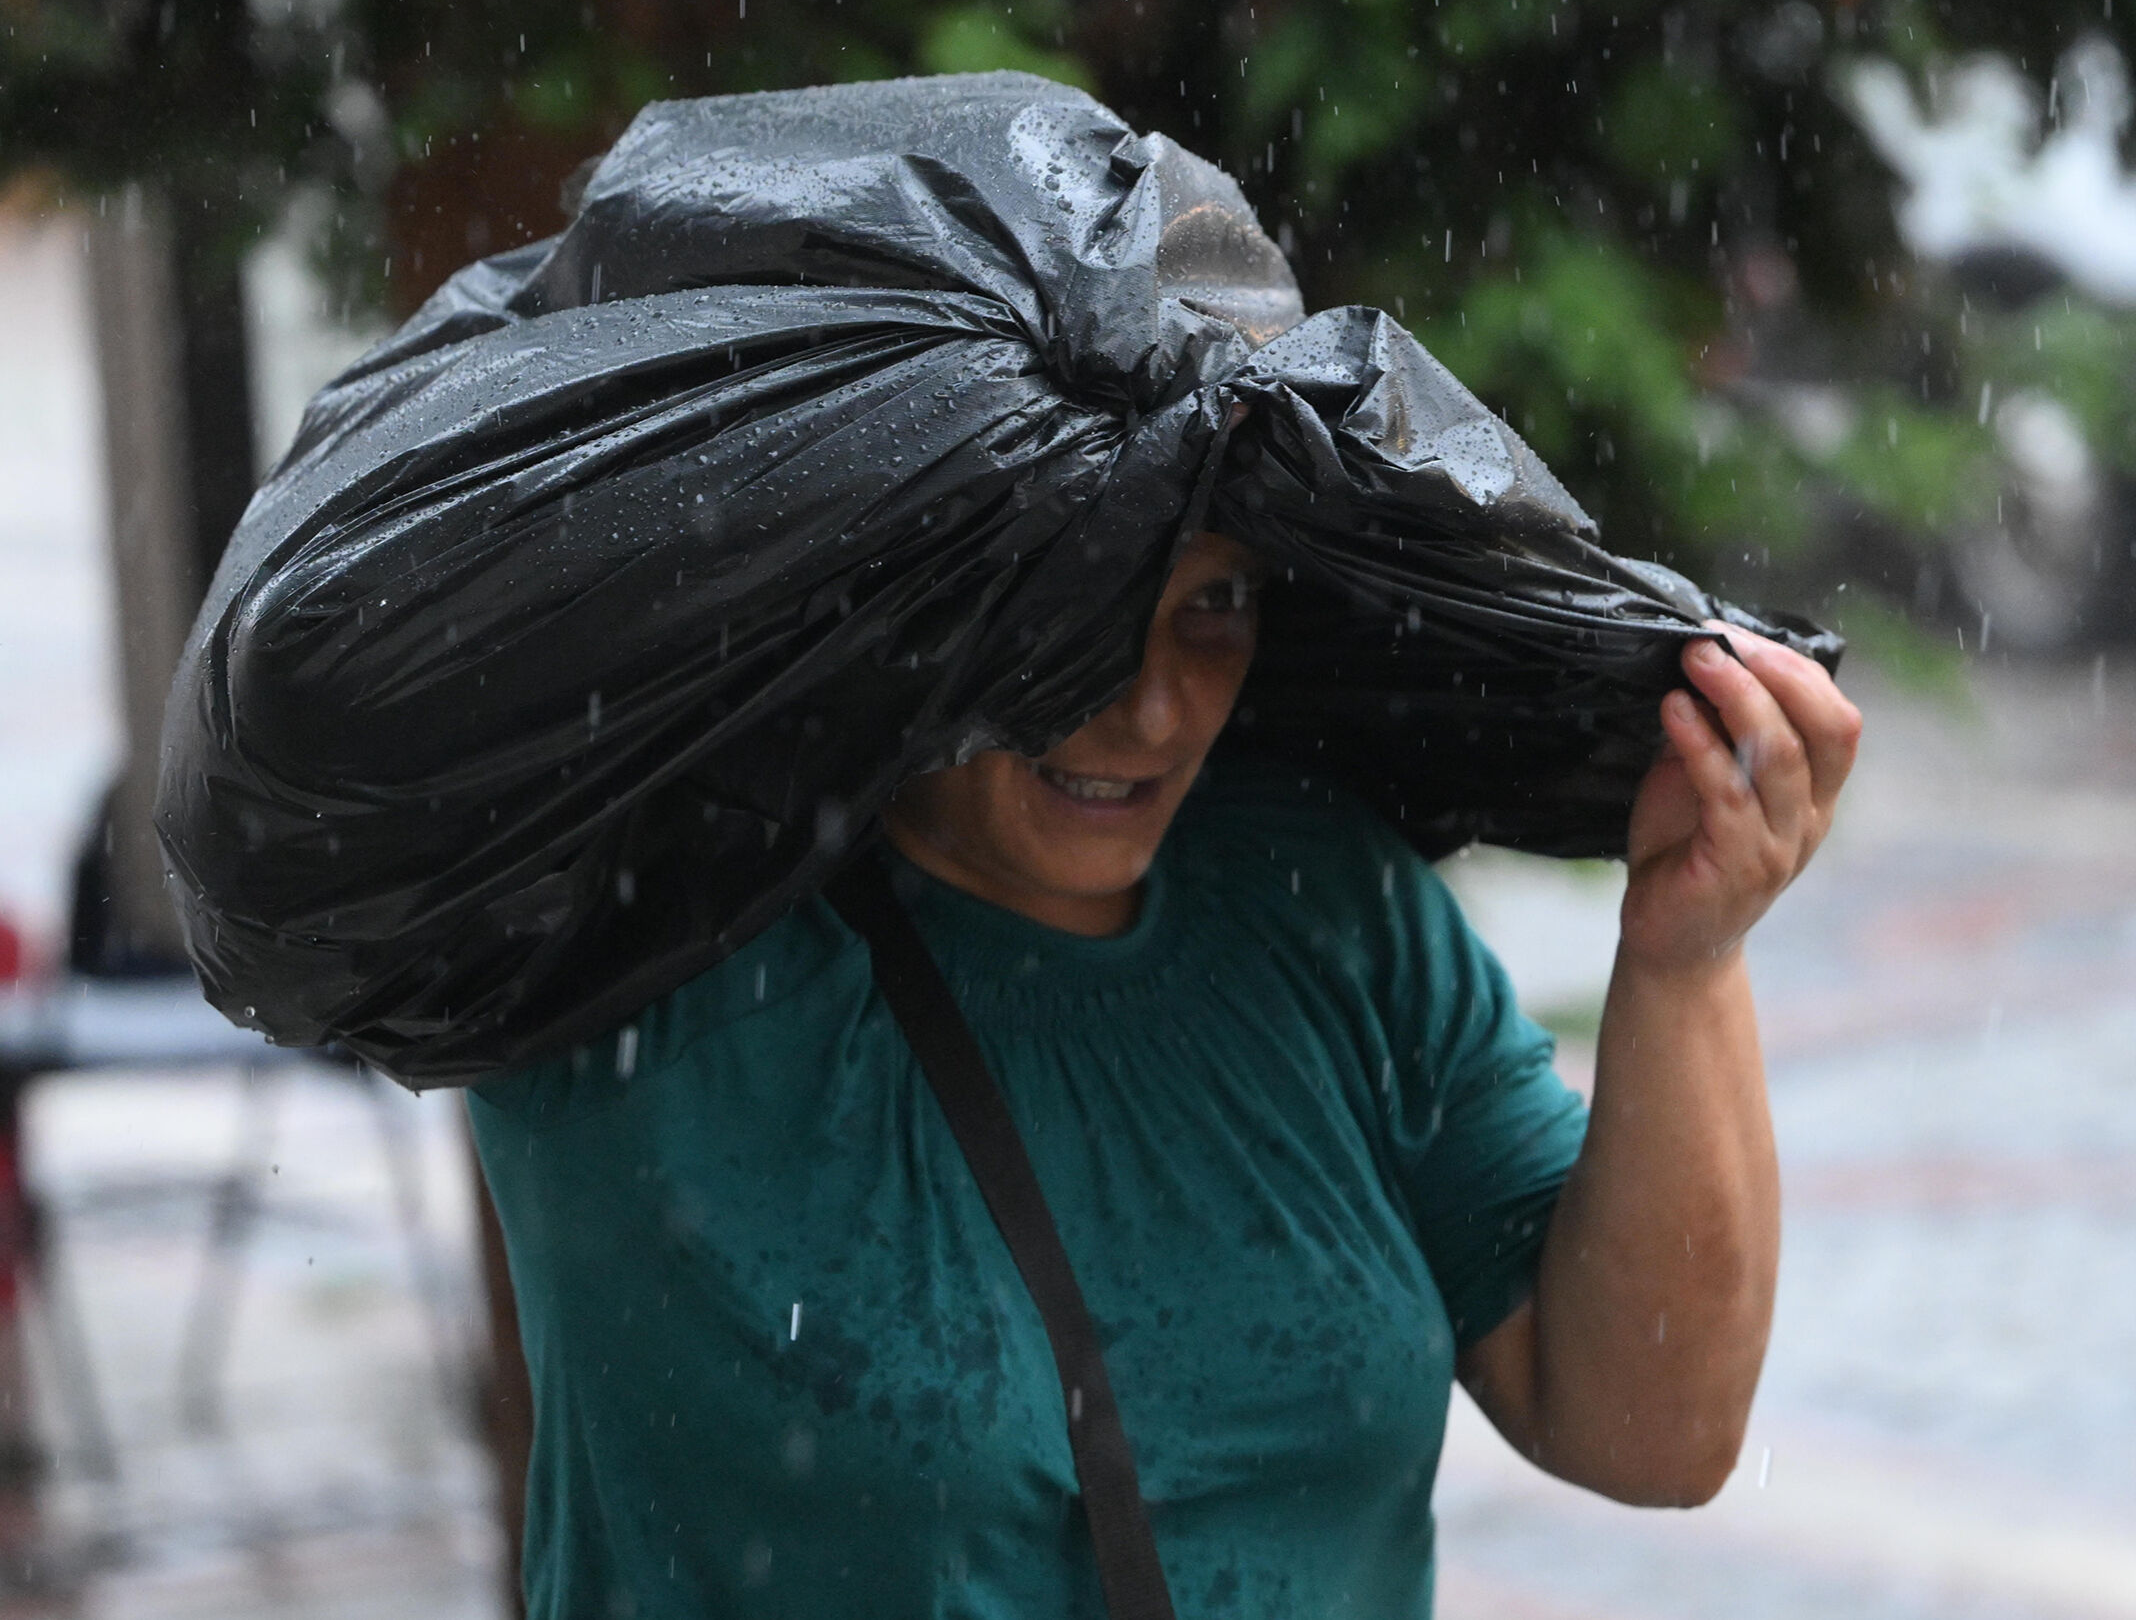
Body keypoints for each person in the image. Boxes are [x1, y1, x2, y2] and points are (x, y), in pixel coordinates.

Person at [467, 523, 1861, 1617]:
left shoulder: (1316, 897)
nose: (1148, 706)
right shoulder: (656, 961)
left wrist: (1685, 958)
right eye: (1069, 605)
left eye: (1215, 603)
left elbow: (1649, 1429)